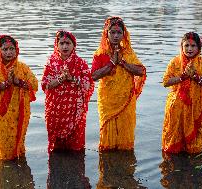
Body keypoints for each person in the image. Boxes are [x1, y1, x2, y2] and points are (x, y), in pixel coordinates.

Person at [91, 16, 146, 151]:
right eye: (112, 32)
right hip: (107, 100)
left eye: (119, 32)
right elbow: (93, 76)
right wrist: (111, 63)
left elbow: (141, 71)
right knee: (107, 139)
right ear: (106, 34)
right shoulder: (100, 54)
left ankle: (125, 157)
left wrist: (123, 63)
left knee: (125, 134)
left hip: (126, 99)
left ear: (124, 34)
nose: (116, 36)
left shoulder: (128, 52)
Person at [0, 35, 38, 160]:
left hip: (20, 111)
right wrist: (6, 84)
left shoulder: (22, 67)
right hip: (0, 114)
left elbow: (34, 84)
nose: (9, 52)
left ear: (16, 50)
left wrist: (18, 82)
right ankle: (5, 170)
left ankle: (19, 170)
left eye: (12, 49)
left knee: (19, 144)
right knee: (4, 148)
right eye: (5, 49)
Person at [162, 32, 202, 154]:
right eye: (186, 45)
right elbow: (166, 82)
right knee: (173, 145)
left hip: (195, 107)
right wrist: (183, 77)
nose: (189, 49)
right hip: (176, 107)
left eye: (193, 46)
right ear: (181, 47)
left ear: (199, 47)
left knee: (195, 149)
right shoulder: (175, 62)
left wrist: (196, 77)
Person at [41, 30, 94, 152]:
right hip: (55, 109)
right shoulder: (51, 63)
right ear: (57, 45)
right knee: (56, 148)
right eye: (62, 43)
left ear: (73, 45)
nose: (65, 46)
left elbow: (88, 85)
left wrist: (72, 78)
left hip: (75, 110)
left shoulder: (81, 63)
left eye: (68, 43)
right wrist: (61, 79)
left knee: (76, 148)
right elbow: (46, 85)